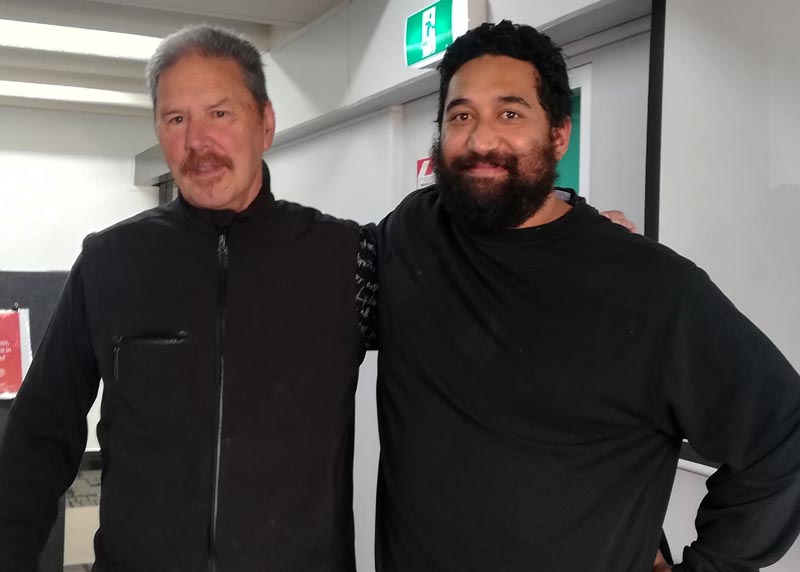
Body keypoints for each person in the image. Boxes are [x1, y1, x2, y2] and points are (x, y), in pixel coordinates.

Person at [373, 20, 800, 572]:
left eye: (510, 113)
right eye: (461, 116)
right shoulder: (411, 231)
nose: (480, 140)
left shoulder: (651, 288)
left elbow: (784, 438)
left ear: (558, 134)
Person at [0, 25, 375, 571]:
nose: (198, 142)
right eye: (177, 119)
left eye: (220, 113)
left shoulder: (345, 257)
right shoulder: (110, 262)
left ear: (265, 123)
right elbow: (41, 432)